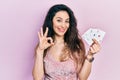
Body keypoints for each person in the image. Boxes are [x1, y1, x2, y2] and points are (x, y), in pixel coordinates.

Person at [32, 4, 101, 80]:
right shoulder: (43, 45)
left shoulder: (76, 45)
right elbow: (37, 78)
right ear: (51, 21)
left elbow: (82, 78)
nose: (63, 25)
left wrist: (90, 55)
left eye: (67, 21)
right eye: (59, 20)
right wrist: (40, 51)